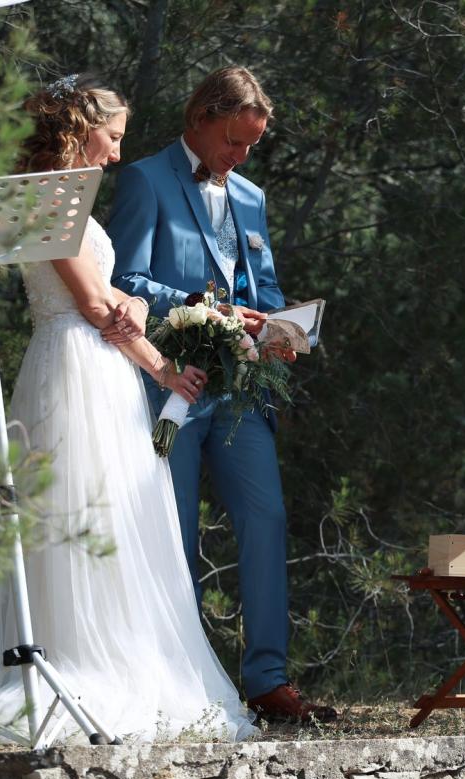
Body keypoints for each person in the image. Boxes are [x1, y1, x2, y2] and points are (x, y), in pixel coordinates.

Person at [0, 75, 255, 742]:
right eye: (113, 137)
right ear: (80, 129)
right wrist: (164, 370)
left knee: (117, 512)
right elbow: (95, 306)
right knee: (80, 509)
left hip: (97, 367)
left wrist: (138, 304)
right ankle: (79, 662)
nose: (118, 153)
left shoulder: (67, 197)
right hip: (74, 367)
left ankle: (119, 655)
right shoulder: (47, 197)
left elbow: (112, 298)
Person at [108, 67, 334, 725]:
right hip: (169, 384)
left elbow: (263, 287)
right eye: (234, 142)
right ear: (199, 119)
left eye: (251, 146)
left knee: (266, 519)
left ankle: (268, 680)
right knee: (173, 531)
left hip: (241, 391)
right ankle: (178, 680)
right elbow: (126, 279)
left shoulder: (251, 196)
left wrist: (278, 328)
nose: (241, 157)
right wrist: (203, 309)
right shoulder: (145, 179)